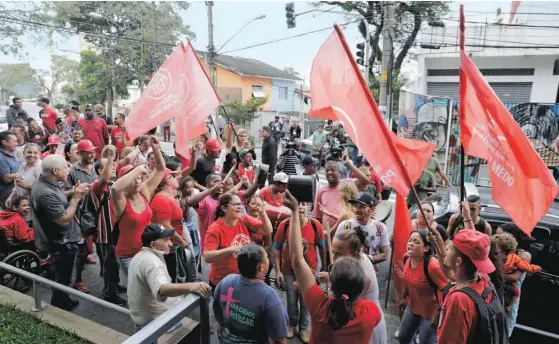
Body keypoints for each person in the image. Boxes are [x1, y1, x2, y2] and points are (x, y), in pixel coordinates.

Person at [284, 191, 382, 343]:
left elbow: (297, 259)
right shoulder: (372, 312)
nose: (335, 259)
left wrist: (294, 212)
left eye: (339, 255)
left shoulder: (319, 304)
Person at [127, 223, 210, 333]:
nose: (170, 243)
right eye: (166, 240)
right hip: (155, 324)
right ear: (153, 245)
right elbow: (162, 289)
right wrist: (191, 286)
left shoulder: (140, 256)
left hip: (143, 320)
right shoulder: (152, 262)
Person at [31, 155, 89, 311]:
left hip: (61, 240)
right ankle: (60, 305)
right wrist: (76, 198)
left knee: (60, 273)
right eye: (66, 167)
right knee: (63, 277)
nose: (69, 170)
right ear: (55, 170)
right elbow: (63, 219)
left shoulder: (48, 181)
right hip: (61, 243)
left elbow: (59, 197)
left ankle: (62, 296)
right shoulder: (44, 192)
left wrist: (73, 192)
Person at [438, 228, 507, 344]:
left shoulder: (459, 299)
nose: (446, 251)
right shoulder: (484, 279)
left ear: (458, 261)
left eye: (450, 249)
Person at [213, 243, 289, 344]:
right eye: (266, 256)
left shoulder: (226, 281)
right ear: (261, 267)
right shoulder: (269, 297)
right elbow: (279, 339)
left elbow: (217, 310)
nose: (268, 258)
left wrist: (225, 327)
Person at [323, 226, 388, 344]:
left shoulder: (361, 276)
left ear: (354, 253)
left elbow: (342, 301)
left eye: (339, 254)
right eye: (333, 252)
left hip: (367, 324)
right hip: (362, 318)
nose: (334, 258)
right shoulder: (358, 258)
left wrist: (330, 282)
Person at [111, 136, 166, 276]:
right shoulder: (121, 200)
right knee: (139, 291)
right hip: (129, 255)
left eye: (139, 179)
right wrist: (137, 170)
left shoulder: (144, 193)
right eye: (133, 179)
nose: (137, 182)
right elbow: (115, 189)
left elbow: (160, 170)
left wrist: (156, 148)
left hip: (149, 251)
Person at [274, 202, 326, 343]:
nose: (300, 207)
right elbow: (276, 248)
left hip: (309, 271)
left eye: (303, 204)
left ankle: (303, 328)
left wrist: (324, 267)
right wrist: (278, 271)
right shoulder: (284, 225)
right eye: (297, 204)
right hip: (289, 270)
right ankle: (292, 325)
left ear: (309, 206)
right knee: (291, 300)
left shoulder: (315, 225)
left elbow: (322, 248)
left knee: (306, 301)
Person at [203, 192, 272, 289]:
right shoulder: (215, 229)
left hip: (244, 278)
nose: (240, 207)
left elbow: (267, 230)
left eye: (240, 204)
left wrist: (262, 212)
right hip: (223, 282)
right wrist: (231, 250)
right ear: (224, 208)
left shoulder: (244, 219)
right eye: (236, 204)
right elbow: (207, 257)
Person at [397, 230, 450, 344]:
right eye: (410, 240)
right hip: (412, 307)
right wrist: (402, 298)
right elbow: (407, 279)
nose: (410, 243)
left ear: (425, 248)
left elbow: (447, 290)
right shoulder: (407, 258)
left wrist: (439, 314)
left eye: (416, 242)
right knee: (402, 337)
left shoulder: (432, 265)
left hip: (431, 313)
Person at [89, 148, 126, 305]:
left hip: (115, 230)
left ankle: (114, 285)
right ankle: (109, 293)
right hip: (106, 232)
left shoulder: (113, 184)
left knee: (113, 262)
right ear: (100, 170)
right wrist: (110, 156)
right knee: (110, 263)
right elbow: (103, 181)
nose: (113, 167)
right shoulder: (97, 186)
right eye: (109, 166)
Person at [151, 168, 191, 283]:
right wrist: (182, 241)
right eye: (173, 176)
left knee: (173, 273)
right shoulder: (161, 199)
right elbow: (165, 226)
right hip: (164, 246)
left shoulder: (169, 196)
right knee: (169, 276)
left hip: (171, 245)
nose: (177, 177)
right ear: (167, 181)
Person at [494, 222, 532, 337]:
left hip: (510, 297)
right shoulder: (498, 250)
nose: (497, 239)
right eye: (496, 236)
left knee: (503, 330)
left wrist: (494, 272)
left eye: (501, 236)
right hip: (496, 293)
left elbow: (515, 277)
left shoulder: (524, 255)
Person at [314, 157, 369, 231]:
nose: (329, 172)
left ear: (339, 173)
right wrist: (320, 235)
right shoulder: (321, 191)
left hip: (345, 230)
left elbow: (365, 181)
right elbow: (318, 217)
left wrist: (349, 164)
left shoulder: (347, 184)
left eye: (333, 170)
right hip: (327, 235)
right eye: (327, 171)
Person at [491, 233, 540, 313]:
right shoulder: (491, 255)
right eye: (502, 251)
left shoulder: (515, 258)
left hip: (503, 288)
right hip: (494, 288)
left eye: (507, 252)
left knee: (515, 293)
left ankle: (509, 307)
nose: (504, 255)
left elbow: (517, 274)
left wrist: (533, 268)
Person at [187, 173, 223, 252]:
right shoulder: (205, 199)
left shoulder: (224, 198)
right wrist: (211, 190)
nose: (220, 183)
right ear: (207, 186)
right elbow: (190, 202)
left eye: (221, 181)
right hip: (209, 246)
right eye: (216, 181)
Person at [6, 143, 41, 222]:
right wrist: (11, 197)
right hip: (22, 205)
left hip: (33, 206)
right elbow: (18, 184)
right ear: (24, 153)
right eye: (29, 152)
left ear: (40, 154)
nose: (32, 155)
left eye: (35, 153)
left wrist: (27, 186)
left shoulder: (40, 167)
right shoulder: (23, 165)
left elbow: (43, 187)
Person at [0, 131, 21, 209]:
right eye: (14, 141)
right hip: (7, 195)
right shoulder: (1, 157)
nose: (17, 144)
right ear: (4, 142)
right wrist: (22, 174)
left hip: (17, 191)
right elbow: (6, 178)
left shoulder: (14, 152)